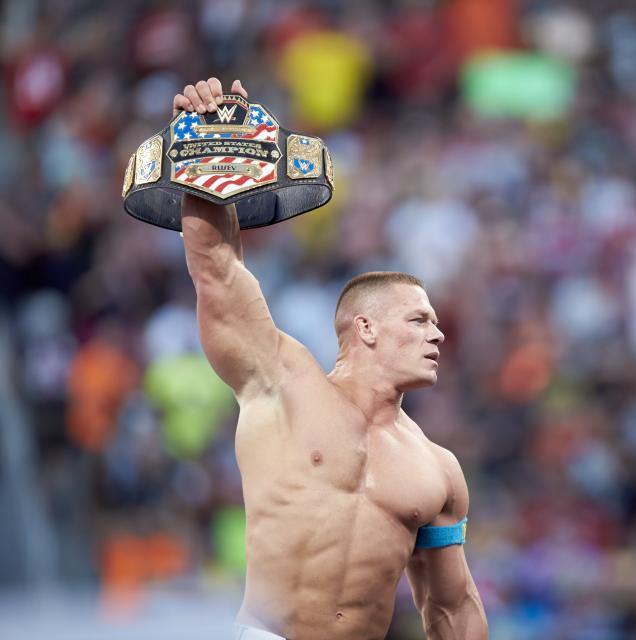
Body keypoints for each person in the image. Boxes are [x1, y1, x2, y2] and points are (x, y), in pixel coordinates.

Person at [172, 78, 488, 640]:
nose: (437, 336)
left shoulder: (439, 470)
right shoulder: (284, 383)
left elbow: (452, 608)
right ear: (364, 327)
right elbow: (217, 272)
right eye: (420, 320)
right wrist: (206, 152)